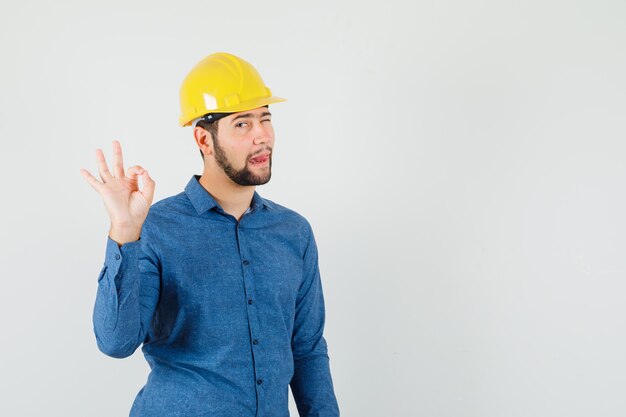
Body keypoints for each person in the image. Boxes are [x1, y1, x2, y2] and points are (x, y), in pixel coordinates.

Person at [80, 52, 340, 417]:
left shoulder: (293, 232)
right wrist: (124, 230)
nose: (262, 136)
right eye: (242, 124)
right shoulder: (154, 228)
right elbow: (116, 342)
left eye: (265, 119)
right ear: (204, 138)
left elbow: (307, 348)